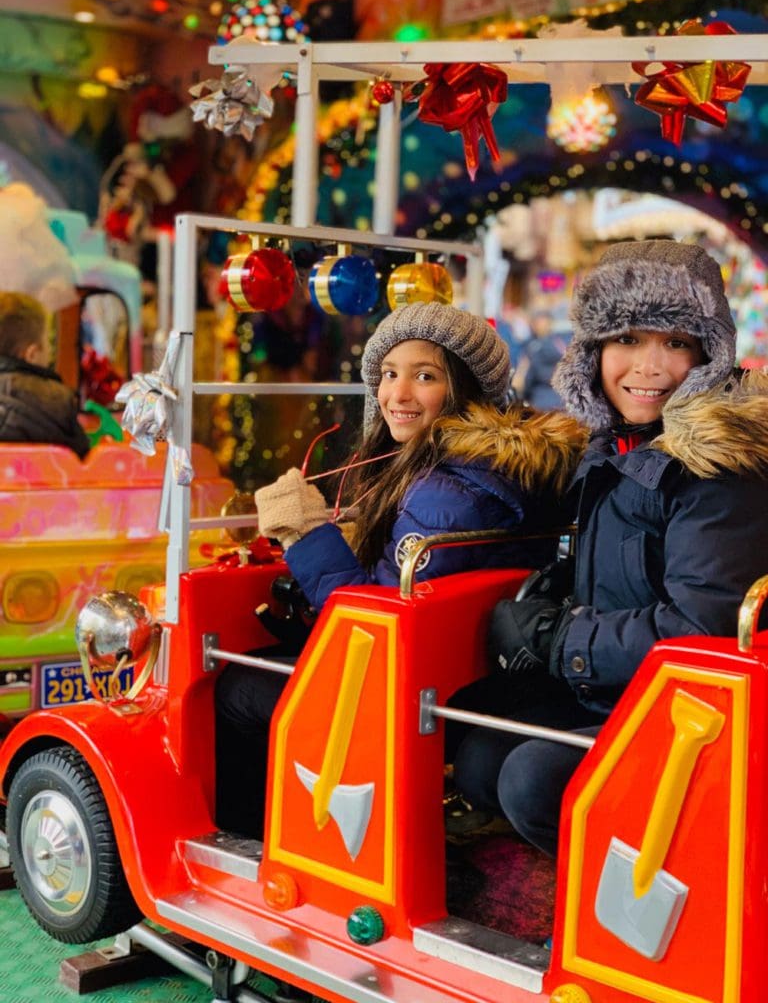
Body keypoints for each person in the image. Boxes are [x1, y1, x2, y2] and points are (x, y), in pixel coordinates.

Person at [215, 300, 588, 836]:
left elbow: (375, 625)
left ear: (466, 390)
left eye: (425, 376)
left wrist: (303, 531)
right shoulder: (486, 468)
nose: (398, 395)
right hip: (470, 681)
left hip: (421, 693)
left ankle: (252, 839)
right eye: (389, 374)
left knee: (236, 686)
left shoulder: (448, 491)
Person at [452, 239, 768, 858]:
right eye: (627, 340)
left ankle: (629, 924)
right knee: (479, 755)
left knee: (534, 781)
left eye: (675, 343)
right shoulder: (613, 449)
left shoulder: (720, 466)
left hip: (694, 717)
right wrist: (547, 594)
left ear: (708, 355)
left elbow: (701, 629)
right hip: (621, 693)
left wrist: (560, 639)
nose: (648, 368)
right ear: (594, 353)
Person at [0, 292, 90, 458]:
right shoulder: (58, 401)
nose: (50, 351)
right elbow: (83, 461)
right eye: (48, 342)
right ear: (31, 354)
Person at [512, 309, 569, 409]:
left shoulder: (531, 347)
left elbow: (525, 380)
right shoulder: (561, 343)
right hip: (562, 401)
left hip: (540, 402)